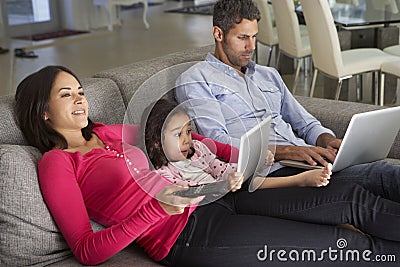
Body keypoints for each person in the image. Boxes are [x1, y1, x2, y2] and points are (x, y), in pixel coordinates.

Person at [14, 65, 400, 266]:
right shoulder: (57, 163)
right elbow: (85, 249)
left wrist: (255, 154)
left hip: (221, 192)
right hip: (186, 236)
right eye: (67, 95)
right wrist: (155, 209)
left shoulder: (110, 131)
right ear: (43, 112)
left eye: (80, 91)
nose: (80, 100)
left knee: (352, 199)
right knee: (347, 247)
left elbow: (192, 141)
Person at [175, 0, 400, 201]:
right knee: (381, 176)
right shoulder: (197, 79)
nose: (251, 47)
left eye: (254, 37)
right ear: (218, 34)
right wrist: (285, 151)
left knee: (378, 175)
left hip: (305, 159)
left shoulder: (268, 74)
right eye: (242, 38)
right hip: (272, 172)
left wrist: (325, 139)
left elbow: (305, 122)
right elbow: (217, 143)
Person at [144, 99, 333, 193]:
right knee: (249, 185)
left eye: (188, 131)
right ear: (156, 141)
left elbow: (221, 168)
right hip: (214, 200)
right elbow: (189, 191)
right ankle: (299, 180)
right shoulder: (163, 174)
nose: (187, 139)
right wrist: (223, 185)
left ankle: (298, 179)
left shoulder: (198, 150)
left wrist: (247, 167)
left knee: (247, 178)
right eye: (178, 134)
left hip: (228, 189)